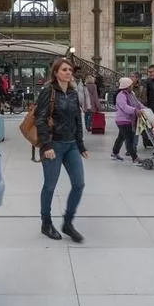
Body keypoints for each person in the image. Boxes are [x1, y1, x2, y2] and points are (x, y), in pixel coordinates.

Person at [35, 58, 88, 243]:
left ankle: (68, 222)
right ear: (56, 72)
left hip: (71, 144)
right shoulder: (48, 92)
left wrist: (80, 145)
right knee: (50, 185)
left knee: (79, 184)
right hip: (54, 145)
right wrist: (46, 145)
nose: (68, 72)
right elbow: (40, 119)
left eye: (70, 70)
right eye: (64, 70)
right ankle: (46, 222)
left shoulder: (73, 93)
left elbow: (77, 120)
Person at [112, 77, 144, 165]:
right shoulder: (121, 95)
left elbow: (137, 103)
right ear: (126, 86)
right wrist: (135, 110)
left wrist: (144, 108)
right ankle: (135, 158)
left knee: (121, 137)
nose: (132, 86)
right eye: (131, 85)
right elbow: (124, 107)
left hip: (128, 119)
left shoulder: (131, 94)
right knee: (130, 139)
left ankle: (114, 153)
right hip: (123, 120)